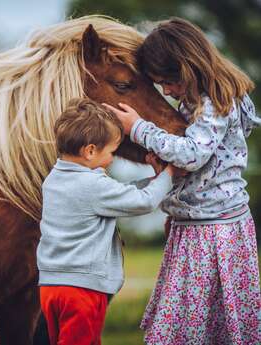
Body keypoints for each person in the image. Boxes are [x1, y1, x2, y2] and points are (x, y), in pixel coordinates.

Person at [104, 17, 261, 345]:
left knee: (188, 325)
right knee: (187, 321)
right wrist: (167, 178)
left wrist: (139, 129)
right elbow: (199, 167)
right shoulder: (193, 103)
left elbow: (192, 155)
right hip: (196, 225)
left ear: (188, 66)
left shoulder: (216, 103)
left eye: (168, 82)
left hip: (215, 231)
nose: (168, 92)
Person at [37, 98, 179, 345]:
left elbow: (120, 194)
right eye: (111, 152)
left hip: (51, 286)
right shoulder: (93, 185)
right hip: (82, 288)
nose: (113, 159)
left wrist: (154, 179)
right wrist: (169, 175)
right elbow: (143, 202)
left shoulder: (54, 179)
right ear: (90, 150)